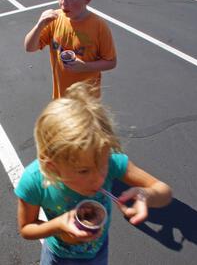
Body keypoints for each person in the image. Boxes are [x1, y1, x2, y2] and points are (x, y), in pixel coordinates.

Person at [14, 82, 172, 265]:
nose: (99, 178)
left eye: (103, 164)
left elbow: (164, 191)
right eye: (83, 171)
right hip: (57, 257)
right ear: (52, 168)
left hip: (98, 253)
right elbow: (26, 228)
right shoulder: (33, 181)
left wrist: (147, 195)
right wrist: (58, 227)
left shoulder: (111, 161)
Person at [24, 0, 117, 99]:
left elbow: (111, 62)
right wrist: (39, 25)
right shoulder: (54, 19)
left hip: (87, 103)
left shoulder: (99, 26)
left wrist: (84, 66)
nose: (63, 3)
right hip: (62, 99)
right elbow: (29, 47)